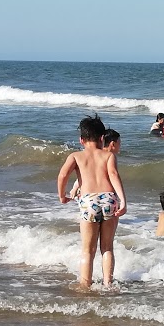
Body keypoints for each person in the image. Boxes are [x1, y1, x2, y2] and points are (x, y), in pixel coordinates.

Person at [56, 116, 127, 288]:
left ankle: (85, 285)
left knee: (88, 250)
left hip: (89, 202)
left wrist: (62, 196)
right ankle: (108, 284)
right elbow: (114, 176)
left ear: (81, 140)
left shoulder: (75, 156)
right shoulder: (108, 155)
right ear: (103, 138)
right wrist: (123, 201)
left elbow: (63, 175)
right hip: (110, 199)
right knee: (107, 248)